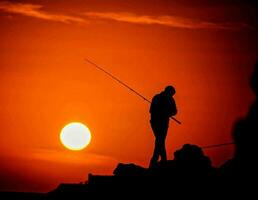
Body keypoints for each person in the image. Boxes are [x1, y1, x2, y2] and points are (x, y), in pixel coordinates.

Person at [149, 85, 177, 168]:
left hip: (160, 123)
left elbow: (175, 111)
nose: (172, 96)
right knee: (160, 141)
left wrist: (167, 113)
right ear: (168, 92)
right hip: (158, 123)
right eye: (171, 94)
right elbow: (151, 110)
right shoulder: (159, 97)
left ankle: (158, 160)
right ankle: (158, 160)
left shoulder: (163, 98)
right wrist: (164, 112)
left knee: (160, 141)